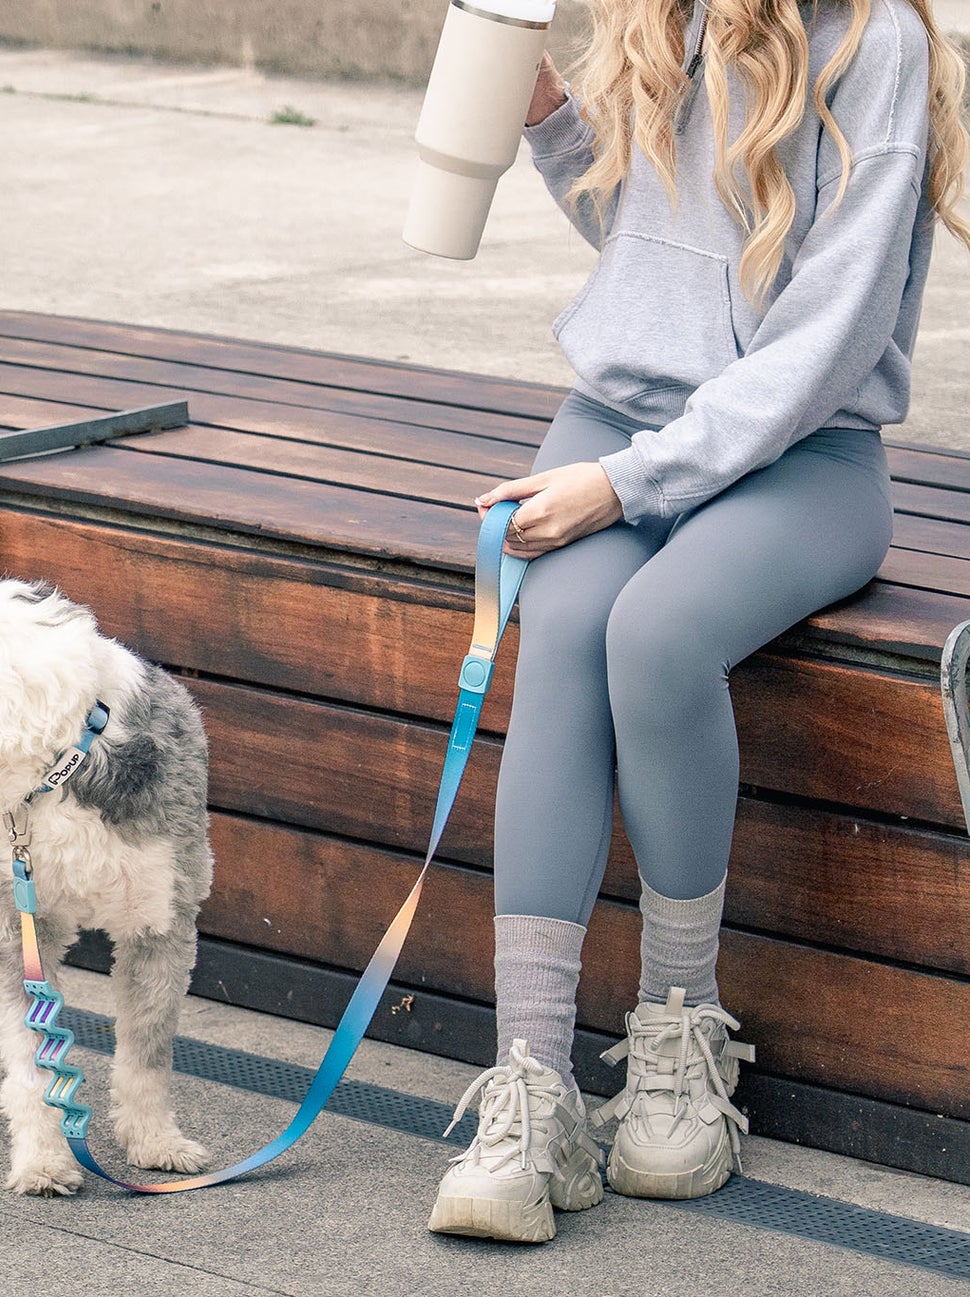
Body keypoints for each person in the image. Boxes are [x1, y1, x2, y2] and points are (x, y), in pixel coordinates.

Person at [426, 0, 970, 1244]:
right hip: (613, 419)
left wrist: (624, 485)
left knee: (655, 631)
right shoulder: (664, 16)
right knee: (562, 629)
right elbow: (647, 256)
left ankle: (679, 1043)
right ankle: (534, 1087)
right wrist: (550, 123)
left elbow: (826, 340)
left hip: (804, 458)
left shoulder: (873, 37)